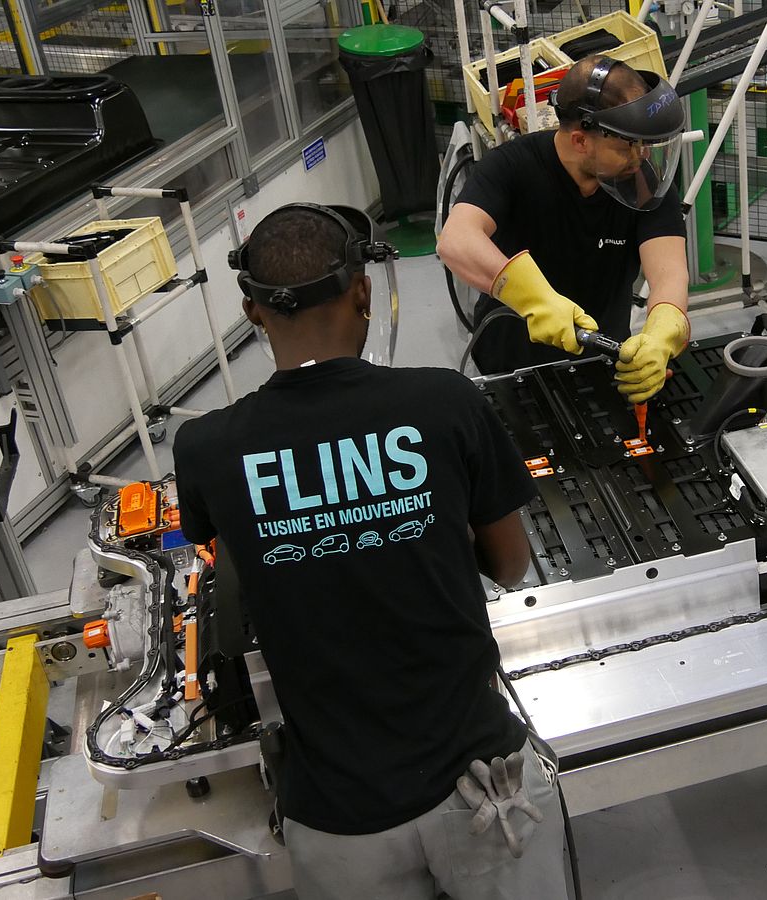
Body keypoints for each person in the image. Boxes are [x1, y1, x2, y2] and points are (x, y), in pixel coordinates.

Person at [172, 203, 569, 900]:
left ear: (253, 311)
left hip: (339, 817)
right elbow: (510, 567)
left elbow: (230, 554)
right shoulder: (445, 403)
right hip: (482, 787)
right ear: (362, 291)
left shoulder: (205, 447)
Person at [437, 54, 692, 404]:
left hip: (602, 361)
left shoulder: (641, 182)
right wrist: (536, 300)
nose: (642, 156)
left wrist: (664, 327)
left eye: (644, 144)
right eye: (627, 146)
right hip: (508, 367)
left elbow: (669, 272)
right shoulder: (512, 165)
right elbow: (455, 239)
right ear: (580, 141)